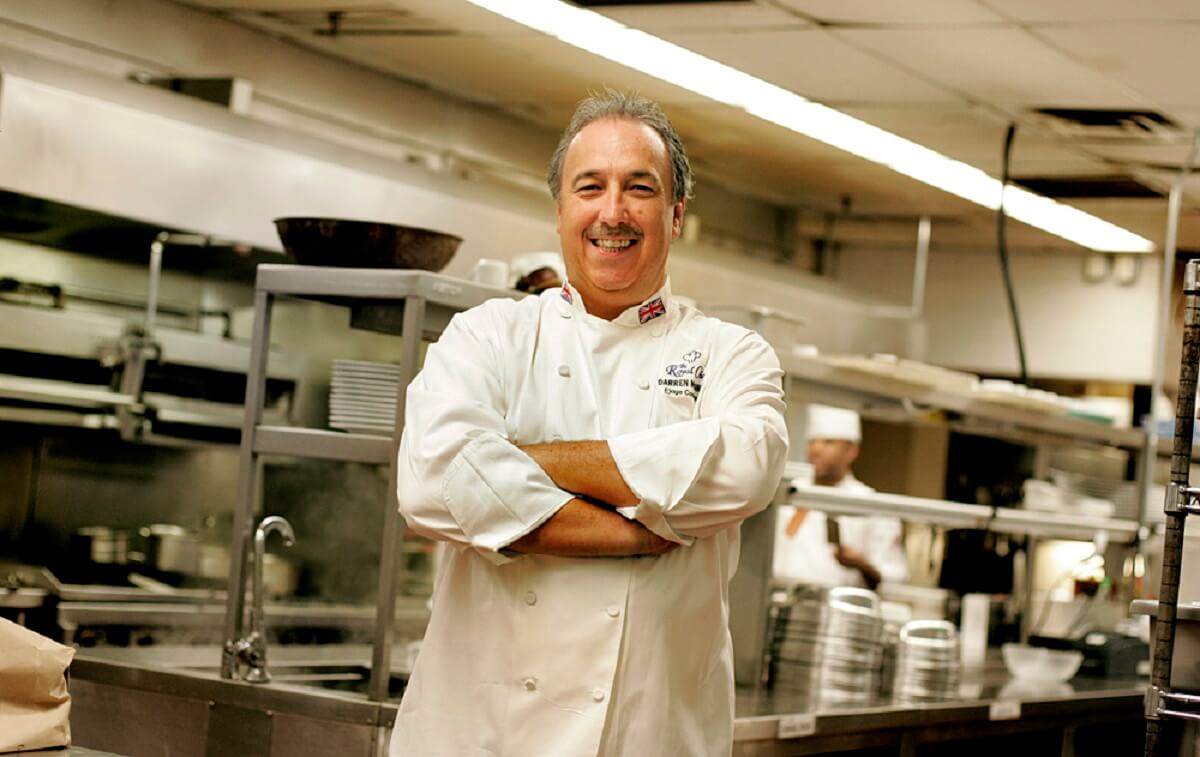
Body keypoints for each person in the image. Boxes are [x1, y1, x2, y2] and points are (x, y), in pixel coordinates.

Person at [393, 91, 788, 756]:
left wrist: (520, 460)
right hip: (476, 738)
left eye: (640, 188)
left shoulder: (732, 352)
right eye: (590, 187)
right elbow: (433, 479)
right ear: (560, 211)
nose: (614, 211)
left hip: (649, 737)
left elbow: (745, 465)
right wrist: (632, 530)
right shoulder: (488, 335)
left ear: (677, 213)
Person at [773, 405, 908, 590]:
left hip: (836, 608)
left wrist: (861, 564)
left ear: (852, 451)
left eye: (828, 442)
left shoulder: (871, 505)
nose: (816, 449)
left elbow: (893, 578)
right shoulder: (790, 492)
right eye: (813, 441)